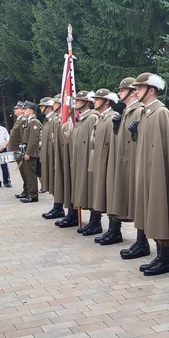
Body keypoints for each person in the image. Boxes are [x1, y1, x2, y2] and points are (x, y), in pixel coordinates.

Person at [126, 73, 169, 275]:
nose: (135, 91)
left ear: (151, 90)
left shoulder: (160, 112)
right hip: (148, 170)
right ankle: (160, 255)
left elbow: (164, 148)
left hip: (158, 171)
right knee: (152, 212)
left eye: (139, 87)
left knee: (160, 211)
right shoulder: (147, 112)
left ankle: (166, 257)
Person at [104, 79, 143, 249]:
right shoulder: (127, 110)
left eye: (122, 90)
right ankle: (117, 231)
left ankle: (142, 241)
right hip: (124, 160)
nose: (119, 93)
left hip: (135, 162)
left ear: (133, 91)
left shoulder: (139, 110)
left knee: (139, 200)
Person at [84, 88, 118, 239]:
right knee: (100, 193)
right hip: (98, 160)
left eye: (98, 99)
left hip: (108, 162)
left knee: (111, 194)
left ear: (106, 101)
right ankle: (100, 224)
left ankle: (115, 229)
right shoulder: (101, 117)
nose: (94, 101)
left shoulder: (112, 117)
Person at [68, 91, 99, 232]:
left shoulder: (92, 117)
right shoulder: (81, 119)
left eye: (79, 100)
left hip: (88, 160)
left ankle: (95, 221)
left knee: (91, 190)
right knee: (84, 189)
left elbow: (93, 141)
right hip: (80, 160)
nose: (75, 102)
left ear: (86, 102)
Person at [47, 94, 73, 223]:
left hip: (67, 154)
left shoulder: (67, 118)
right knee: (60, 182)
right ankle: (59, 207)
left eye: (56, 103)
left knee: (69, 183)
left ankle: (71, 213)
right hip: (59, 153)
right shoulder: (57, 118)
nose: (53, 105)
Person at [19, 102, 43, 203]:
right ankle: (29, 193)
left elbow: (33, 139)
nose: (23, 110)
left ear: (32, 110)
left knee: (31, 174)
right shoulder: (29, 121)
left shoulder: (34, 122)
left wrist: (28, 153)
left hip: (31, 152)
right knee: (27, 173)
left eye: (26, 109)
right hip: (27, 150)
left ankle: (33, 195)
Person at [9, 102, 28, 199]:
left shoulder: (23, 120)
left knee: (25, 172)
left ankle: (28, 191)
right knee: (22, 172)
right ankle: (26, 190)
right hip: (17, 151)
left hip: (21, 151)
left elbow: (23, 137)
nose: (15, 110)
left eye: (17, 108)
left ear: (22, 110)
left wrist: (23, 151)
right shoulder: (18, 120)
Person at [38, 98, 55, 195]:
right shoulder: (47, 119)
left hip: (51, 153)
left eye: (42, 106)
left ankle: (58, 206)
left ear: (49, 106)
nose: (40, 108)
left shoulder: (54, 119)